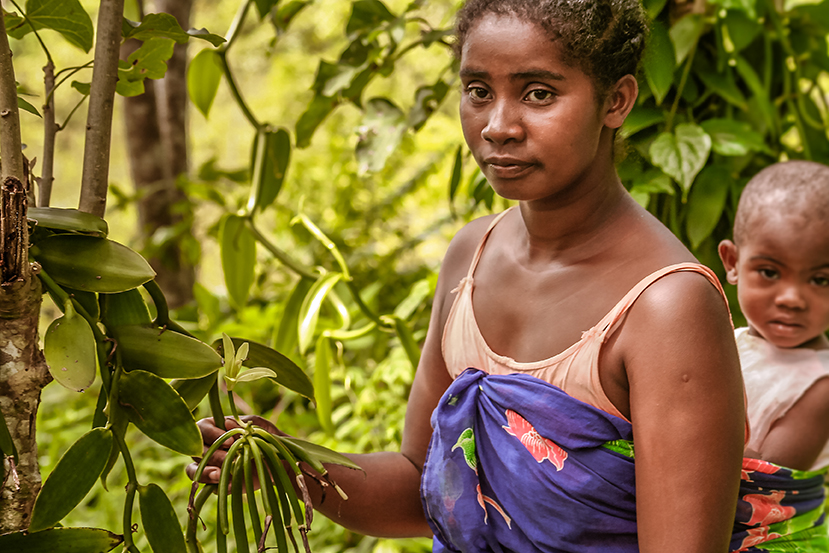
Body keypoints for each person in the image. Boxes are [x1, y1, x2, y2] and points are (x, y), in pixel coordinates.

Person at [189, 0, 747, 550]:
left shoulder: (666, 308)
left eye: (539, 94)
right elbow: (418, 483)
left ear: (616, 101)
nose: (499, 127)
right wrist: (290, 463)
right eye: (479, 92)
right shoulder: (471, 257)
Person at [718, 160, 829, 551]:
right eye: (769, 272)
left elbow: (763, 479)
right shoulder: (728, 340)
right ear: (732, 263)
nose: (791, 298)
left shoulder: (820, 384)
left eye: (820, 279)